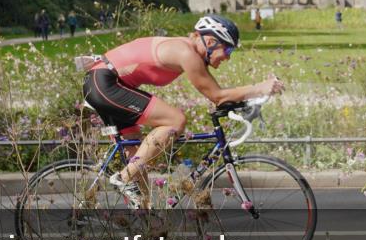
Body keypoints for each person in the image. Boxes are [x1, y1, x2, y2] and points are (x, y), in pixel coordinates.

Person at [82, 15, 284, 206]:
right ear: (211, 42)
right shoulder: (186, 53)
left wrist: (246, 100)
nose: (228, 57)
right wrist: (259, 88)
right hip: (105, 83)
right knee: (175, 121)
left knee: (138, 159)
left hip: (108, 83)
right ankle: (123, 178)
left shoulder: (189, 51)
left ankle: (145, 219)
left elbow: (218, 96)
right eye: (228, 50)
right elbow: (218, 96)